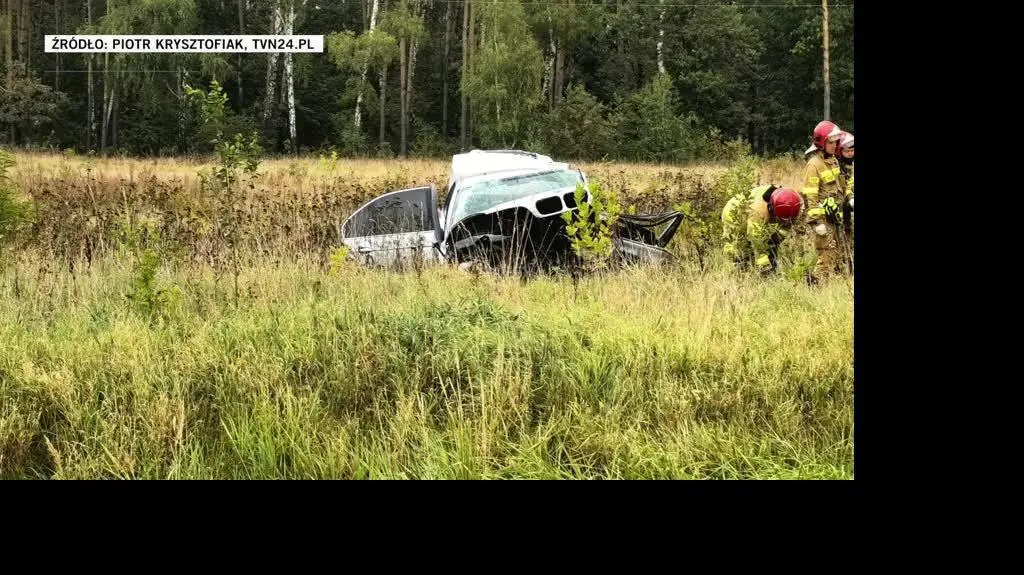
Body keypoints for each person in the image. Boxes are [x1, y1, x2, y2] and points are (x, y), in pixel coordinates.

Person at [801, 120, 848, 279]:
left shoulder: (834, 161)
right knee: (827, 255)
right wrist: (816, 222)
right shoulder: (814, 165)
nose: (834, 145)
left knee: (837, 253)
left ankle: (827, 284)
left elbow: (839, 188)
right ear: (822, 142)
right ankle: (814, 285)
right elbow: (810, 195)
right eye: (830, 142)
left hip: (835, 216)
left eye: (836, 142)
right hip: (822, 219)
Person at [722, 184, 804, 275]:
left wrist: (774, 244)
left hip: (756, 215)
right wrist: (764, 263)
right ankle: (736, 270)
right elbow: (755, 237)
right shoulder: (758, 210)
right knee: (737, 246)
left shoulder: (793, 202)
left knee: (771, 244)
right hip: (734, 212)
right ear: (771, 208)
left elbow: (786, 227)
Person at [837, 131, 855, 243]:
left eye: (852, 151)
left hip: (851, 198)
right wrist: (850, 197)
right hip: (842, 201)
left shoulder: (852, 164)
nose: (850, 153)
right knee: (843, 225)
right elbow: (844, 185)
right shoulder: (837, 165)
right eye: (847, 151)